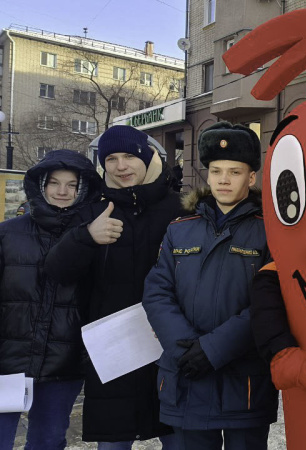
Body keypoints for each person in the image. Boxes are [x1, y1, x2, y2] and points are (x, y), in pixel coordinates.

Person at [44, 125, 183, 449]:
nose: (121, 166)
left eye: (129, 156)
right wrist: (86, 237)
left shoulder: (179, 208)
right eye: (111, 158)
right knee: (113, 442)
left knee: (179, 441)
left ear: (148, 158)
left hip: (169, 349)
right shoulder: (93, 210)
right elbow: (57, 271)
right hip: (114, 353)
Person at [142, 122, 278, 450]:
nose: (223, 179)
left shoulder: (271, 231)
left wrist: (213, 349)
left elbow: (273, 300)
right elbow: (157, 291)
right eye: (216, 171)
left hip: (243, 381)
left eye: (234, 171)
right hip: (186, 376)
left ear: (251, 177)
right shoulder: (180, 229)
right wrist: (185, 347)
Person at [0, 150, 102, 450]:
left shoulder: (94, 237)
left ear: (83, 190)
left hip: (63, 365)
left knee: (48, 440)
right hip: (9, 362)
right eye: (54, 182)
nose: (62, 191)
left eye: (71, 185)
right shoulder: (8, 234)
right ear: (40, 186)